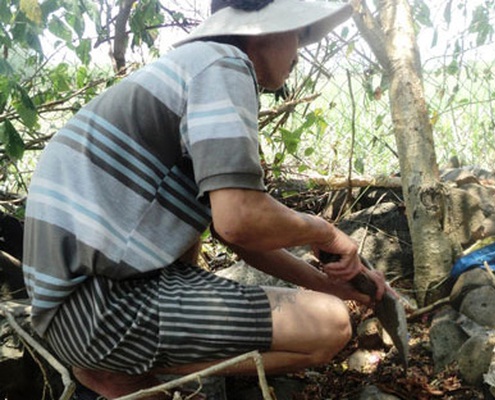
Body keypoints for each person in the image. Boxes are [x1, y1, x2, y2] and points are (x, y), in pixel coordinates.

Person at [22, 0, 386, 398]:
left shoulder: (192, 65)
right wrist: (327, 233)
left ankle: (125, 371)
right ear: (265, 29)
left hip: (72, 304)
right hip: (99, 309)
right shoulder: (223, 66)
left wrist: (327, 283)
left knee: (196, 236)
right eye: (298, 34)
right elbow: (240, 220)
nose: (299, 52)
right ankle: (113, 370)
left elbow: (234, 233)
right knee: (329, 325)